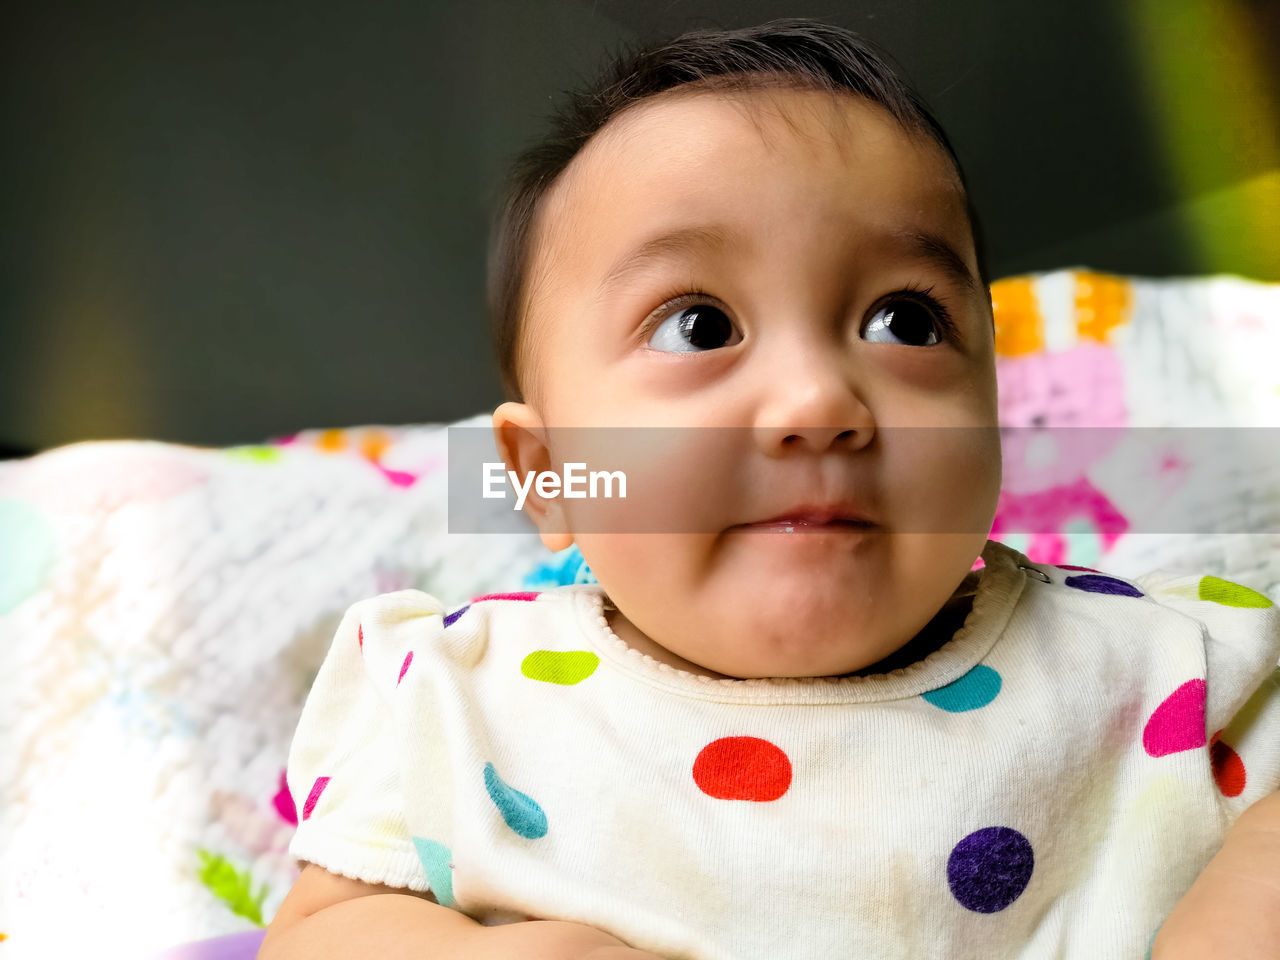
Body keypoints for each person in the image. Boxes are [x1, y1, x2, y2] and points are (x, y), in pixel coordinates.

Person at [258, 18, 1280, 960]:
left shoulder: (1161, 675)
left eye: (904, 322)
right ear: (547, 475)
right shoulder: (457, 696)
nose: (815, 400)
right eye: (697, 326)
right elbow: (320, 930)